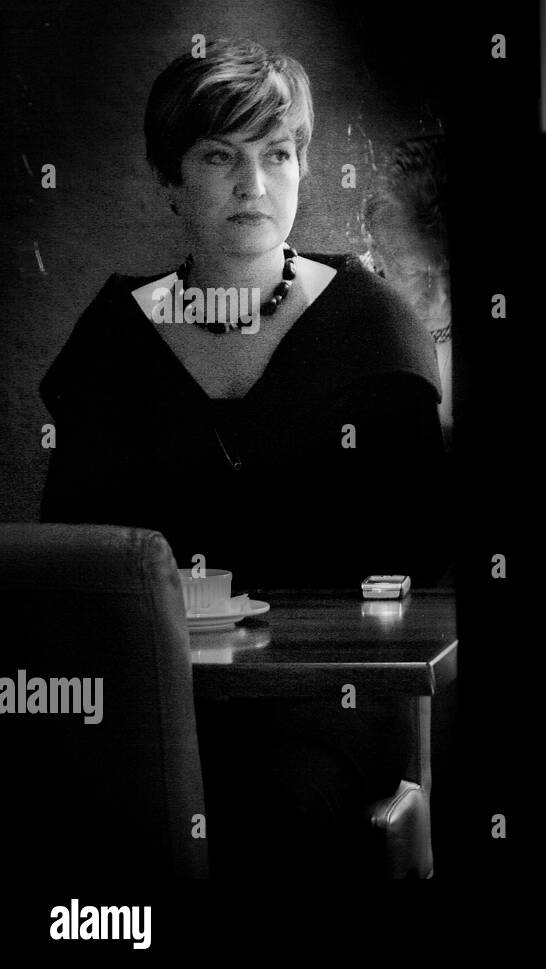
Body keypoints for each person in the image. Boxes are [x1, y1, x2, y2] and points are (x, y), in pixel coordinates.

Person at [39, 39, 448, 877]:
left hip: (328, 704)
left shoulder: (373, 332)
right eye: (219, 156)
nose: (252, 184)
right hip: (156, 703)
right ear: (170, 177)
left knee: (270, 810)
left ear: (302, 167)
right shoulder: (116, 339)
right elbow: (73, 562)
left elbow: (428, 579)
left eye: (276, 154)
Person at [364, 132, 454, 444]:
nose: (441, 299)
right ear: (376, 253)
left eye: (452, 274)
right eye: (419, 276)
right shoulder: (341, 328)